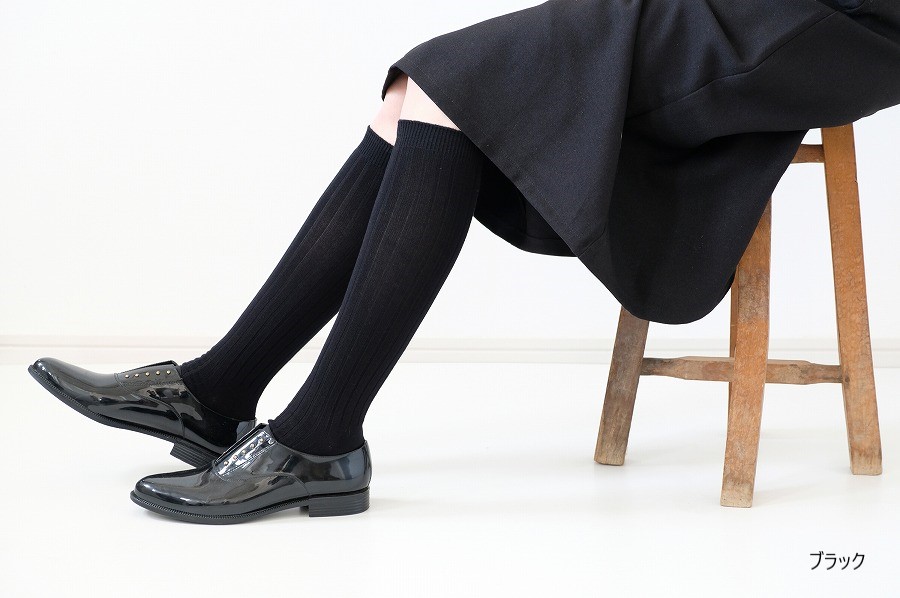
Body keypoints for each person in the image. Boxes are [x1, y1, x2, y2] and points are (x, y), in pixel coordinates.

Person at [28, 0, 900, 524]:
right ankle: (221, 393)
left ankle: (318, 436)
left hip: (838, 20)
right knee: (418, 93)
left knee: (454, 87)